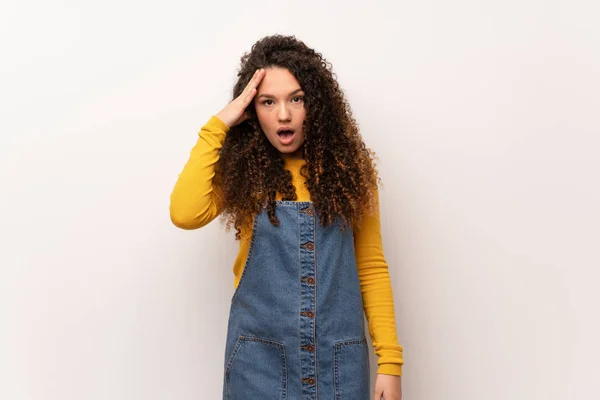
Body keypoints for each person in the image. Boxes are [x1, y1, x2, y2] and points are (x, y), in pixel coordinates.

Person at [170, 34, 404, 400]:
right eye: (268, 101)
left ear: (317, 104)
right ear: (251, 108)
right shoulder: (242, 173)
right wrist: (219, 124)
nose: (284, 114)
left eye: (297, 98)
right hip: (259, 366)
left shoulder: (349, 172)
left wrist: (389, 362)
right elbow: (185, 213)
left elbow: (371, 266)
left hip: (337, 365)